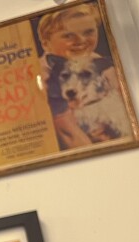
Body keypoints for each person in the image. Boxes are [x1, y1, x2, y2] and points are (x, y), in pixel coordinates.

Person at [36, 2, 125, 147]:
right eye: (68, 36)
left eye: (88, 32)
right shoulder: (43, 74)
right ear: (46, 44)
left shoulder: (98, 62)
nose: (81, 41)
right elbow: (67, 131)